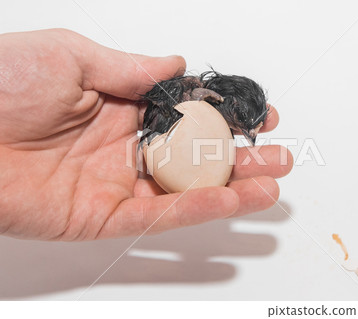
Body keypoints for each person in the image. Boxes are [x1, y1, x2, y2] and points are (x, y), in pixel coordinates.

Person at [0, 29, 293, 241]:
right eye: (244, 126)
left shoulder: (208, 117)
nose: (248, 137)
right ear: (224, 101)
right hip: (163, 138)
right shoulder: (185, 91)